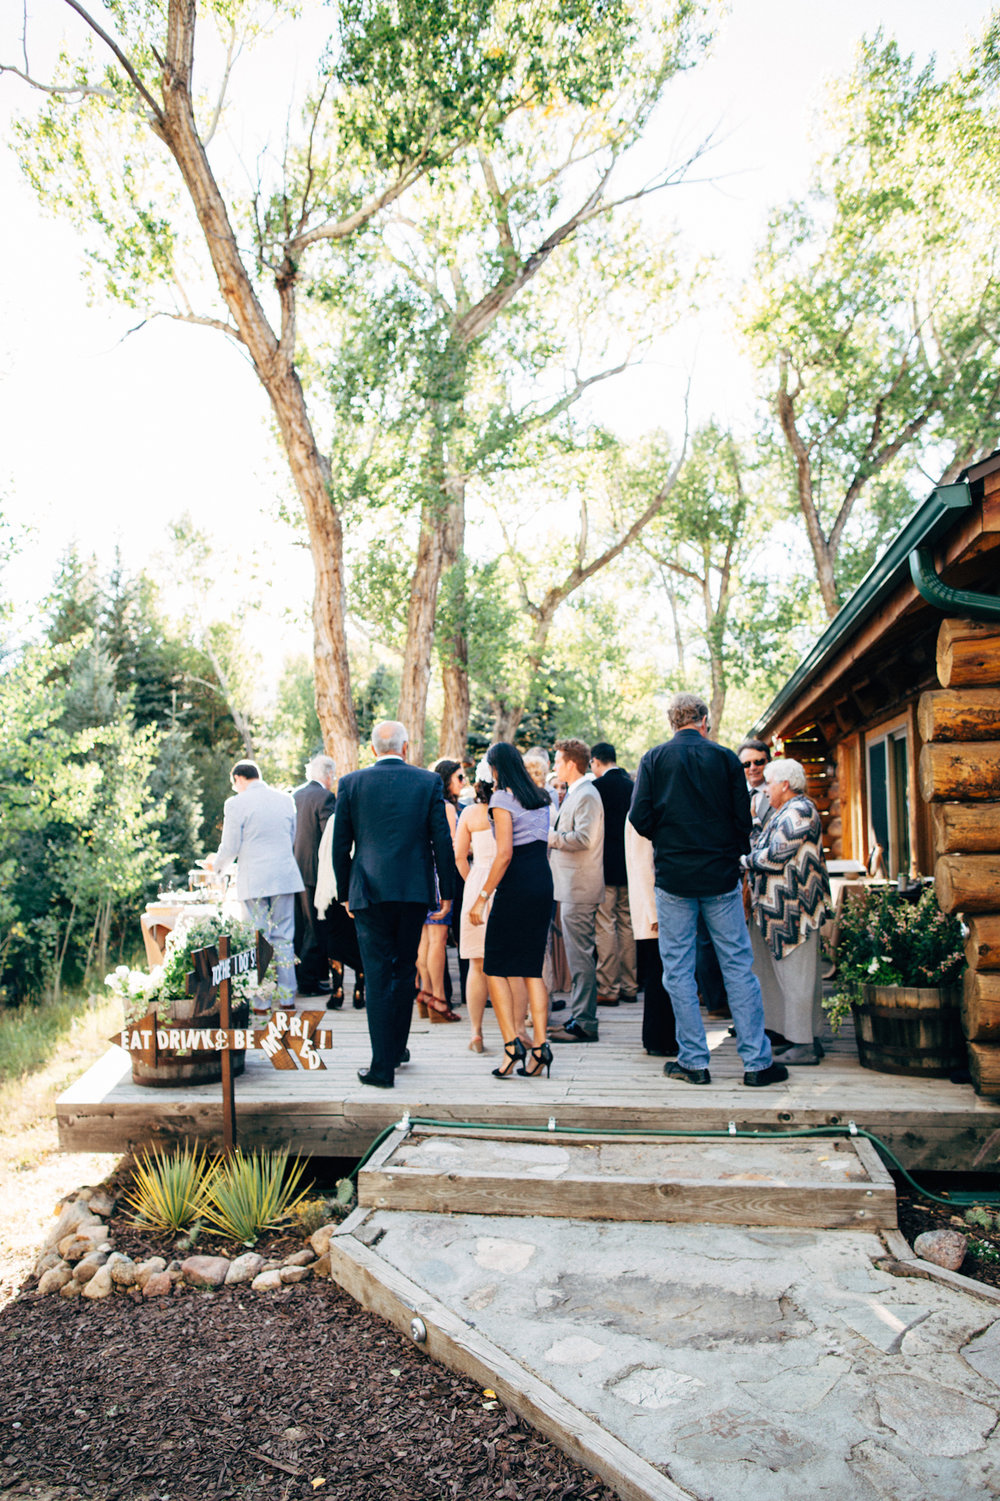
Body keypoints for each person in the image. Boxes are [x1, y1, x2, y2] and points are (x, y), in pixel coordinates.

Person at [628, 691, 787, 1088]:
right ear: (703, 721)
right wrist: (728, 851)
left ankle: (694, 1061)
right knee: (738, 967)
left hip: (674, 878)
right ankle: (756, 1064)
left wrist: (668, 839)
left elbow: (639, 816)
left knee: (678, 971)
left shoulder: (653, 759)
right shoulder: (724, 759)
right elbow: (741, 819)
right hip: (719, 877)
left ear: (673, 723)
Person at [332, 720, 455, 1088]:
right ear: (405, 748)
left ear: (373, 749)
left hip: (368, 892)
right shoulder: (427, 782)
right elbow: (442, 841)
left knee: (378, 974)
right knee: (404, 972)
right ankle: (395, 1050)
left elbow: (341, 846)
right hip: (413, 891)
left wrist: (344, 893)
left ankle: (382, 1065)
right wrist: (447, 891)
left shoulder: (351, 783)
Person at [469, 742, 553, 1080]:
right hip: (542, 882)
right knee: (532, 969)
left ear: (494, 768)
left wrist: (482, 896)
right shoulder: (541, 796)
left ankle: (511, 1046)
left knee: (495, 967)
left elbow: (504, 854)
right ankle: (541, 1047)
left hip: (516, 883)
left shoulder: (502, 799)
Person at [745, 757, 831, 1065]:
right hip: (781, 911)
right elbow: (762, 844)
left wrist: (745, 861)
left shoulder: (801, 810)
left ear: (785, 784)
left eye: (769, 782)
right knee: (787, 977)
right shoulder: (783, 811)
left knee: (797, 978)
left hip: (796, 911)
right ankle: (798, 1038)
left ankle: (804, 1044)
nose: (765, 789)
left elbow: (776, 855)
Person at [203, 760, 303, 1005]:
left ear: (238, 778)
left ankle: (261, 1001)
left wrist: (216, 868)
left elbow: (230, 846)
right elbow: (292, 837)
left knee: (258, 939)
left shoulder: (236, 804)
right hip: (284, 876)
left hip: (255, 879)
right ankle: (288, 997)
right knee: (284, 937)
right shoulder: (285, 800)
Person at [547, 739, 605, 1044]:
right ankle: (579, 1016)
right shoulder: (578, 792)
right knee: (577, 955)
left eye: (558, 761)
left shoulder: (587, 794)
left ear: (571, 764)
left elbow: (584, 838)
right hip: (570, 885)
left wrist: (550, 837)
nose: (555, 766)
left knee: (580, 957)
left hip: (579, 887)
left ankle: (585, 1023)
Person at [590, 741, 638, 1007]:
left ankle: (609, 986)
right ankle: (630, 985)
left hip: (605, 866)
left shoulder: (596, 789)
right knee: (627, 923)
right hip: (630, 865)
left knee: (605, 924)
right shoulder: (633, 787)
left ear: (596, 761)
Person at [415, 759, 464, 1017]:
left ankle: (425, 993)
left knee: (424, 939)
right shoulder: (446, 808)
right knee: (438, 941)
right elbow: (453, 846)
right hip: (439, 877)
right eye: (459, 777)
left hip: (422, 875)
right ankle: (439, 999)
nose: (463, 782)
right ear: (446, 780)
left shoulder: (424, 804)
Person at [454, 759, 496, 1053]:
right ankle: (516, 1030)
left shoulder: (469, 813)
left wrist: (475, 884)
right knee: (507, 966)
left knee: (476, 965)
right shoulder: (508, 812)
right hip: (504, 884)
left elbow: (458, 857)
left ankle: (476, 1032)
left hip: (478, 882)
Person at [291, 754, 338, 998]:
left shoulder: (295, 795)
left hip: (294, 870)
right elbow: (329, 835)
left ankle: (303, 977)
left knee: (300, 926)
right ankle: (310, 982)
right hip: (315, 871)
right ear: (328, 774)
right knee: (315, 927)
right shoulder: (326, 797)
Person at [737, 738, 773, 838]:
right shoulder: (733, 794)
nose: (753, 768)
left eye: (758, 762)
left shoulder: (781, 792)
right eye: (746, 764)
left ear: (769, 761)